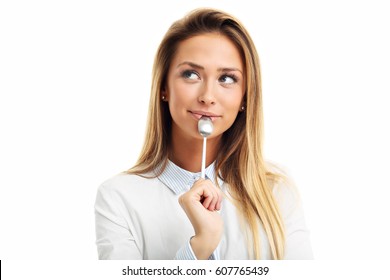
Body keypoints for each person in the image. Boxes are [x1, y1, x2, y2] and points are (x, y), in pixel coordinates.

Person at [94, 7, 313, 260]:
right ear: (164, 87)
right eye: (191, 74)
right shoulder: (118, 198)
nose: (207, 97)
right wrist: (199, 248)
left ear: (245, 97)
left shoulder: (276, 191)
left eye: (227, 79)